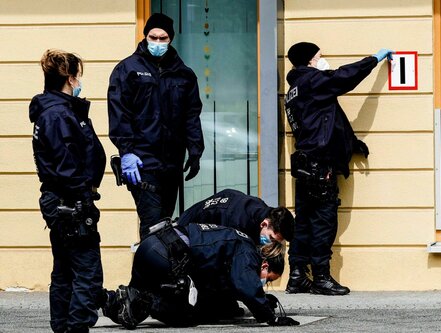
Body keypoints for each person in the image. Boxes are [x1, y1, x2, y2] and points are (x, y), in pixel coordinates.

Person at [284, 42, 393, 295]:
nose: (323, 61)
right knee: (324, 220)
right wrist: (374, 59)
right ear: (310, 60)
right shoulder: (313, 81)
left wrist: (352, 143)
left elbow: (327, 119)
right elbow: (346, 76)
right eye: (320, 56)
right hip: (321, 163)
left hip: (304, 163)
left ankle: (297, 275)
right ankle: (321, 278)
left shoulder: (294, 89)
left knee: (305, 221)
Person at [107, 13, 204, 238]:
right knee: (153, 225)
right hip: (141, 162)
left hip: (171, 162)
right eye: (153, 37)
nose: (158, 43)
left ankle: (158, 271)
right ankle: (150, 271)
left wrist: (196, 150)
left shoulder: (184, 74)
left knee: (165, 223)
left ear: (171, 39)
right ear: (145, 36)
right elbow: (119, 113)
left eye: (163, 38)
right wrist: (126, 151)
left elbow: (192, 115)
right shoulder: (127, 69)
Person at [30, 49, 106, 333]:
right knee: (86, 274)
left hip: (63, 200)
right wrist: (83, 197)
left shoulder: (59, 110)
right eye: (78, 76)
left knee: (64, 270)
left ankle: (63, 328)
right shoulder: (59, 115)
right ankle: (74, 328)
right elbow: (66, 166)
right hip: (70, 202)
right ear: (71, 78)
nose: (79, 82)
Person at [103, 222, 299, 328]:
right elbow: (244, 285)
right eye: (268, 278)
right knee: (185, 315)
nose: (263, 283)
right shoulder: (248, 252)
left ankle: (102, 298)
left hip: (151, 246)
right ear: (264, 263)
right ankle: (146, 301)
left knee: (130, 311)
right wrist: (270, 317)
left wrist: (261, 298)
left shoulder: (238, 240)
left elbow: (226, 287)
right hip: (167, 256)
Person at [176, 188, 295, 245]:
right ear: (264, 224)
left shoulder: (261, 211)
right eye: (271, 239)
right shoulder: (235, 222)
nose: (271, 244)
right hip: (184, 231)